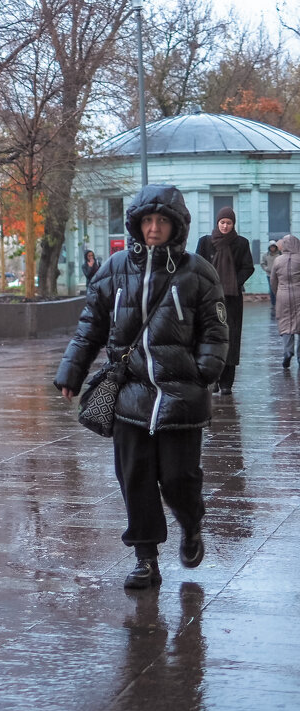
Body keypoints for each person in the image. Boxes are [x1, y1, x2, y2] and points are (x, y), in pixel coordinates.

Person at [54, 185, 228, 590]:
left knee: (178, 478)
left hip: (180, 396)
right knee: (134, 477)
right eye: (147, 221)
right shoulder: (113, 269)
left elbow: (217, 330)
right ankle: (145, 558)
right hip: (129, 392)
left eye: (162, 221)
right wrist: (71, 372)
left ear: (176, 226)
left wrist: (204, 371)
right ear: (136, 224)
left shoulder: (198, 272)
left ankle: (191, 523)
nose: (153, 228)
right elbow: (90, 326)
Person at [195, 206, 254, 394]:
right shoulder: (205, 242)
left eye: (229, 223)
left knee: (231, 338)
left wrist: (235, 282)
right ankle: (212, 379)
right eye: (222, 222)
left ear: (233, 224)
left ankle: (227, 383)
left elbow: (248, 267)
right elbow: (197, 265)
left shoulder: (241, 243)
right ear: (217, 222)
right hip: (209, 299)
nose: (225, 226)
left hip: (232, 299)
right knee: (210, 337)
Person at [270, 235, 300, 368]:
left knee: (286, 324)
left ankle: (288, 352)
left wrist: (278, 294)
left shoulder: (278, 260)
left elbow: (273, 281)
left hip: (283, 295)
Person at [262, 241, 282, 310]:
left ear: (276, 247)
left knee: (279, 289)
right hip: (269, 275)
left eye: (273, 247)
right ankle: (273, 303)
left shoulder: (279, 255)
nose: (272, 248)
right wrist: (266, 268)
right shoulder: (266, 255)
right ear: (269, 248)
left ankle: (279, 303)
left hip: (278, 275)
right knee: (271, 289)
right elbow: (263, 263)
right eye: (271, 247)